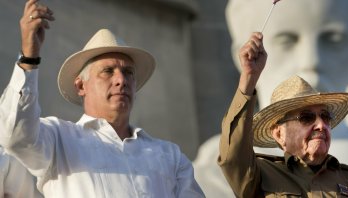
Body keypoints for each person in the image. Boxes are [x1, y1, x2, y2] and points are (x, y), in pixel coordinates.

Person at [0, 0, 204, 197]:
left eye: (128, 72)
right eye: (108, 71)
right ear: (81, 85)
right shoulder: (58, 140)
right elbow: (15, 136)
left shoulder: (170, 156)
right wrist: (29, 56)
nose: (121, 80)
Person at [193, 0, 348, 196]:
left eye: (326, 117)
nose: (311, 61)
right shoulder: (259, 175)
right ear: (278, 133)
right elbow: (233, 157)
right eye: (306, 117)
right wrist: (248, 79)